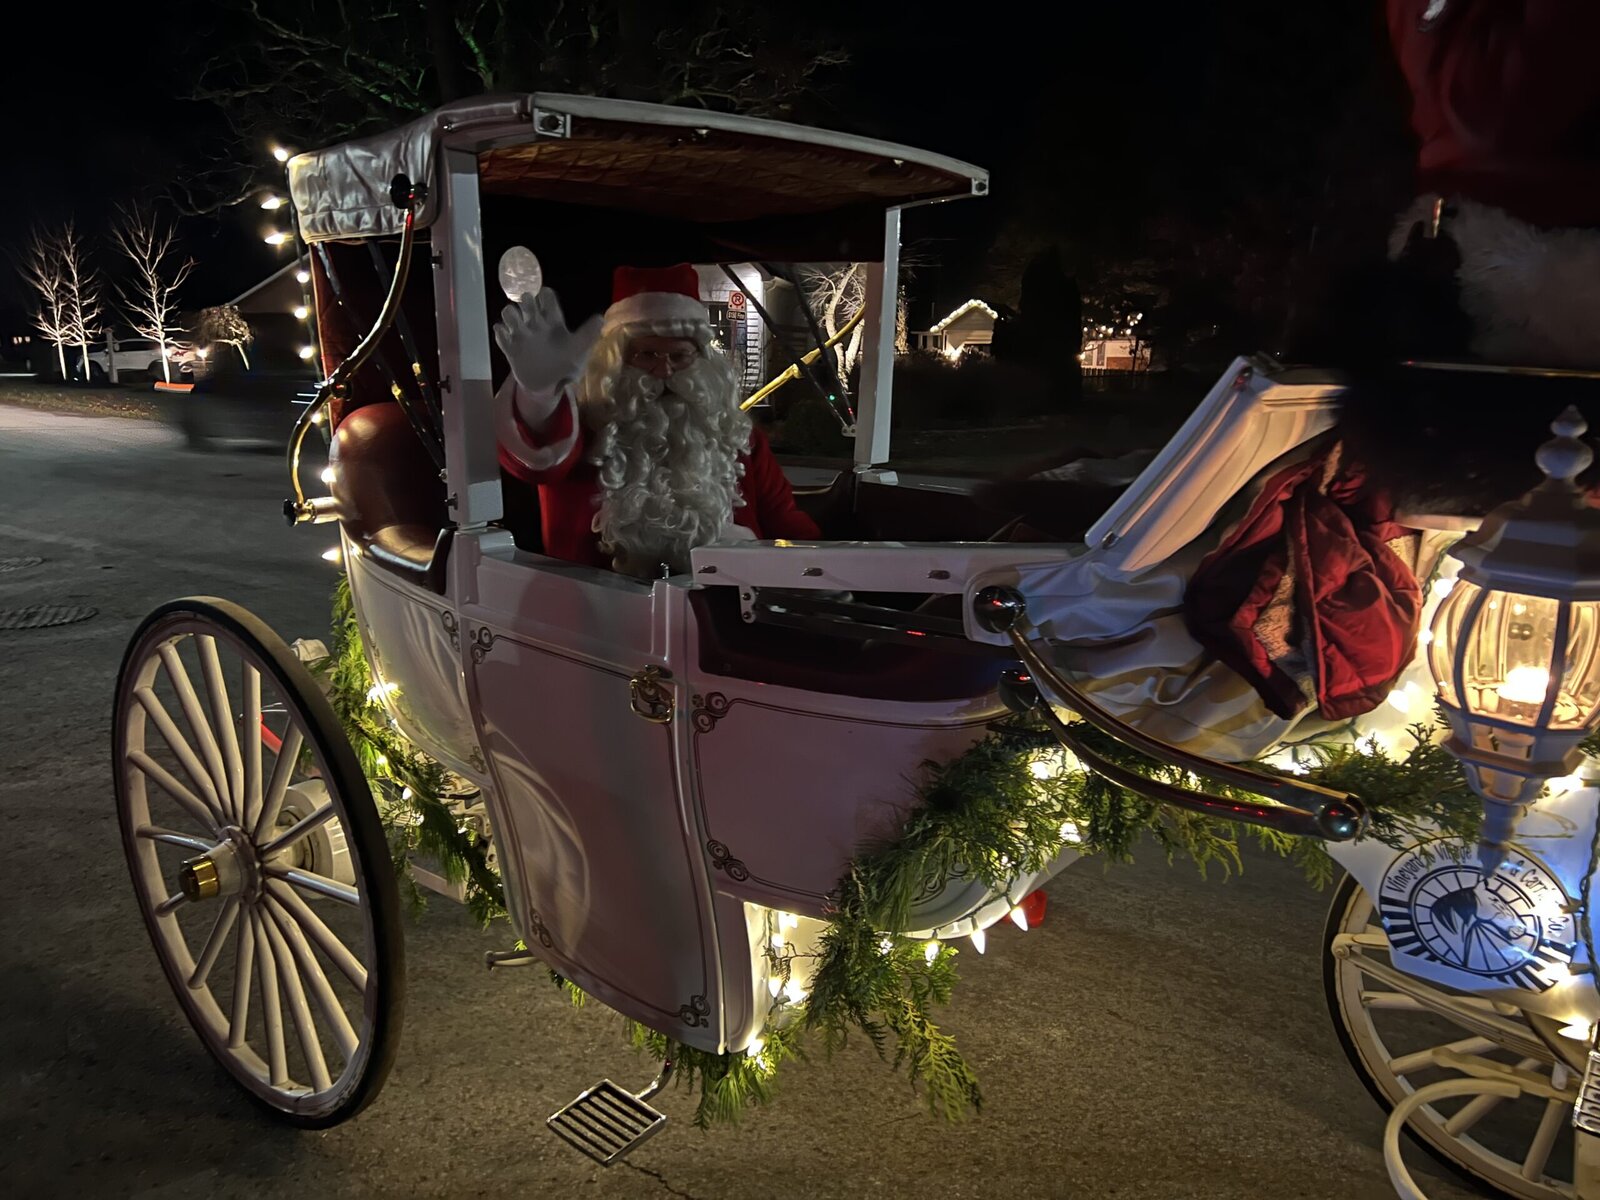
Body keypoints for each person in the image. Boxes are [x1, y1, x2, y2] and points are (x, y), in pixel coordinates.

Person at [494, 264, 820, 579]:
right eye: (647, 355)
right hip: (601, 618)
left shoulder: (738, 439)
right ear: (616, 361)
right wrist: (539, 397)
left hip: (726, 613)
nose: (664, 372)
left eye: (679, 357)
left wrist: (821, 575)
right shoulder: (588, 429)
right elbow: (538, 459)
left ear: (702, 361)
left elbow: (785, 523)